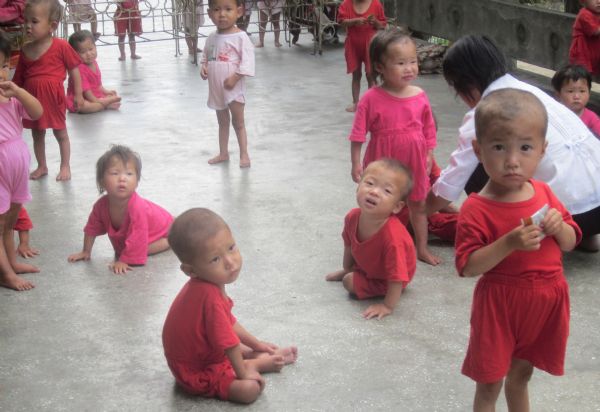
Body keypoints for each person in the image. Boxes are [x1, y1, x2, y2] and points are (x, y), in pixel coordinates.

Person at [455, 89, 581, 412]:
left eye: (525, 148)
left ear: (542, 150)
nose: (512, 161)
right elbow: (468, 266)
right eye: (499, 147)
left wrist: (559, 228)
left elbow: (570, 242)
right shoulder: (476, 208)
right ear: (478, 149)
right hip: (499, 306)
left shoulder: (545, 193)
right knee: (489, 382)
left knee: (521, 375)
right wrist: (509, 243)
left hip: (545, 300)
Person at [428, 34, 600, 252]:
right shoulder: (529, 90)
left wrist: (417, 211)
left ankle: (507, 233)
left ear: (465, 85)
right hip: (591, 212)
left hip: (570, 213)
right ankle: (582, 236)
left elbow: (450, 185)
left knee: (482, 161)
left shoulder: (488, 112)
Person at [163, 208, 298, 404]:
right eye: (215, 259)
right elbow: (228, 343)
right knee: (249, 390)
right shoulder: (208, 296)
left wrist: (256, 344)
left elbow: (228, 323)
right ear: (190, 270)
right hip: (196, 369)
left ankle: (254, 356)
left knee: (241, 347)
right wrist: (243, 373)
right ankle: (253, 364)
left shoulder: (208, 284)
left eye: (231, 248)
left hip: (205, 351)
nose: (230, 262)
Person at [349, 29, 440, 265]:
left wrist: (429, 153)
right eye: (401, 63)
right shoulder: (371, 98)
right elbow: (358, 134)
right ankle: (372, 249)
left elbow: (429, 128)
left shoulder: (420, 95)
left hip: (415, 159)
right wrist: (355, 162)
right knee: (379, 207)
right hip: (383, 160)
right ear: (380, 67)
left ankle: (421, 248)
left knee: (418, 204)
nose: (409, 68)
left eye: (413, 61)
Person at [325, 159, 416, 320]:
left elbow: (397, 278)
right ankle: (355, 271)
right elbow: (349, 245)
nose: (374, 192)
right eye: (370, 183)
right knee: (348, 275)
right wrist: (347, 268)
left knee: (349, 282)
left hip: (389, 279)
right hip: (369, 266)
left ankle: (360, 277)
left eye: (387, 191)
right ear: (358, 187)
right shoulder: (352, 217)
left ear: (397, 206)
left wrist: (387, 306)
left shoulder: (393, 238)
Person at [68, 145, 172, 274]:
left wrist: (124, 260)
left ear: (137, 181)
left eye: (129, 174)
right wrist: (86, 251)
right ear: (102, 181)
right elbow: (91, 228)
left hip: (163, 230)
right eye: (115, 173)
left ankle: (172, 240)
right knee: (125, 249)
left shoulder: (137, 208)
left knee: (142, 249)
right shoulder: (101, 205)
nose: (122, 178)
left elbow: (138, 237)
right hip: (143, 233)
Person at [12, 0, 83, 181]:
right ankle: (42, 166)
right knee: (37, 134)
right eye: (26, 21)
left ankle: (65, 166)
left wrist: (78, 94)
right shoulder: (25, 50)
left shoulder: (61, 46)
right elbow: (18, 80)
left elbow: (74, 70)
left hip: (54, 99)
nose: (28, 26)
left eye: (34, 21)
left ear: (52, 26)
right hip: (32, 101)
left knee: (60, 133)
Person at [0, 32, 43, 291]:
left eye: (4, 65)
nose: (1, 73)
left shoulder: (12, 97)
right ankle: (5, 274)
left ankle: (11, 262)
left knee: (10, 222)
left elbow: (37, 112)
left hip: (16, 168)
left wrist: (19, 92)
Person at [200, 0, 254, 168]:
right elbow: (207, 56)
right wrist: (204, 67)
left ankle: (244, 154)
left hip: (234, 89)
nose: (222, 14)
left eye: (228, 9)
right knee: (222, 122)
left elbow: (248, 62)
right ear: (210, 14)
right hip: (217, 88)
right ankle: (223, 153)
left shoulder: (241, 37)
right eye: (217, 9)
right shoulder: (211, 38)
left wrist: (236, 77)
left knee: (238, 123)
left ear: (239, 12)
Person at [337, 0, 385, 112]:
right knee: (356, 75)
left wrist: (375, 22)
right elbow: (341, 22)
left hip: (370, 44)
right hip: (353, 45)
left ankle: (372, 103)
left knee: (371, 75)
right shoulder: (346, 4)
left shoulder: (376, 4)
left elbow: (383, 25)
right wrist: (354, 21)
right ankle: (356, 102)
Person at [67, 30, 121, 113]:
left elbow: (98, 85)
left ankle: (105, 102)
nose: (89, 54)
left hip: (94, 95)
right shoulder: (79, 68)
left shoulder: (94, 62)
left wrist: (106, 92)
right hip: (82, 98)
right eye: (83, 52)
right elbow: (86, 92)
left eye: (91, 49)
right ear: (74, 54)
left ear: (95, 47)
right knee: (84, 107)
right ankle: (105, 104)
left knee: (111, 95)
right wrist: (98, 101)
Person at [551, 64, 600, 137]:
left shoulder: (592, 119)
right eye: (570, 91)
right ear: (558, 95)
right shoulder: (553, 114)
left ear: (589, 93)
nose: (577, 96)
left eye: (582, 91)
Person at [569, 0, 600, 77]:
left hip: (593, 49)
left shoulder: (596, 13)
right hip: (583, 51)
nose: (599, 1)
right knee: (582, 74)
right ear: (583, 2)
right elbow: (595, 31)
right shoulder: (584, 14)